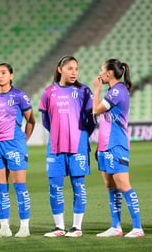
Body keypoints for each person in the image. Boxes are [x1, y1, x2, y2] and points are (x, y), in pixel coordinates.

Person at [39, 55, 95, 238]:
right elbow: (46, 121)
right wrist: (58, 132)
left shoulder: (84, 91)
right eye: (70, 68)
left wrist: (82, 135)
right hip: (55, 147)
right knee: (54, 186)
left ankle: (77, 227)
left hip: (78, 145)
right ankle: (59, 227)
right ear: (60, 69)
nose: (74, 72)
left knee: (78, 185)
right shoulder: (48, 92)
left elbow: (92, 119)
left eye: (76, 69)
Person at [92, 58, 144, 238]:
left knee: (123, 185)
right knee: (110, 185)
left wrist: (96, 90)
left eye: (101, 70)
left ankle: (137, 227)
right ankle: (116, 227)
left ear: (109, 73)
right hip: (105, 145)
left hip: (117, 144)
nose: (99, 74)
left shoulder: (118, 91)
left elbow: (96, 110)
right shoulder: (112, 90)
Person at [0, 63, 35, 238]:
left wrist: (24, 140)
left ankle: (24, 227)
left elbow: (31, 121)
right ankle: (4, 227)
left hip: (15, 145)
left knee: (20, 187)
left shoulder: (19, 96)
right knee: (0, 188)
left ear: (11, 76)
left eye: (3, 73)